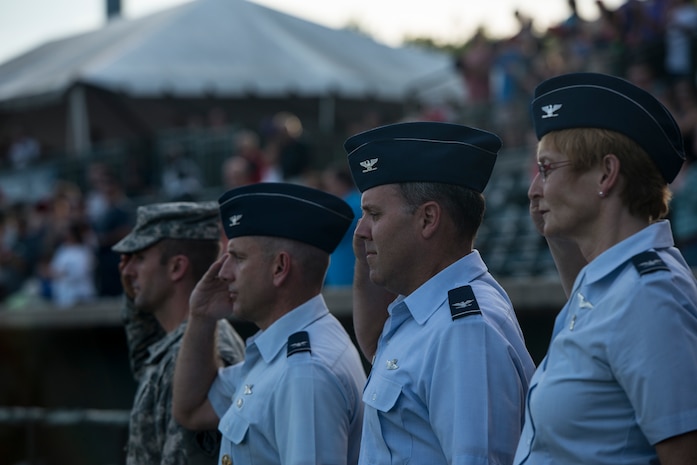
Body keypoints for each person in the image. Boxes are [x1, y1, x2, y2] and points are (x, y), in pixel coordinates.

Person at [515, 72, 697, 465]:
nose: (534, 189)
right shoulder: (610, 285)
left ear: (606, 173)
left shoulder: (649, 295)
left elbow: (684, 454)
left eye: (546, 169)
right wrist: (556, 230)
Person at [344, 121, 536, 465]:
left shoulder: (464, 330)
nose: (361, 231)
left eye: (374, 214)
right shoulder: (423, 313)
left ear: (428, 219)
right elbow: (370, 340)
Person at [172, 183, 367, 465]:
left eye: (237, 258)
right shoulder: (280, 352)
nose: (223, 273)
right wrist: (201, 316)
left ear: (279, 267)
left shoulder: (305, 372)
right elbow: (190, 409)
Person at [112, 201, 246, 465]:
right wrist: (134, 295)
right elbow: (143, 354)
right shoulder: (182, 343)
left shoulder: (203, 353)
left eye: (139, 259)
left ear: (176, 267)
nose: (126, 270)